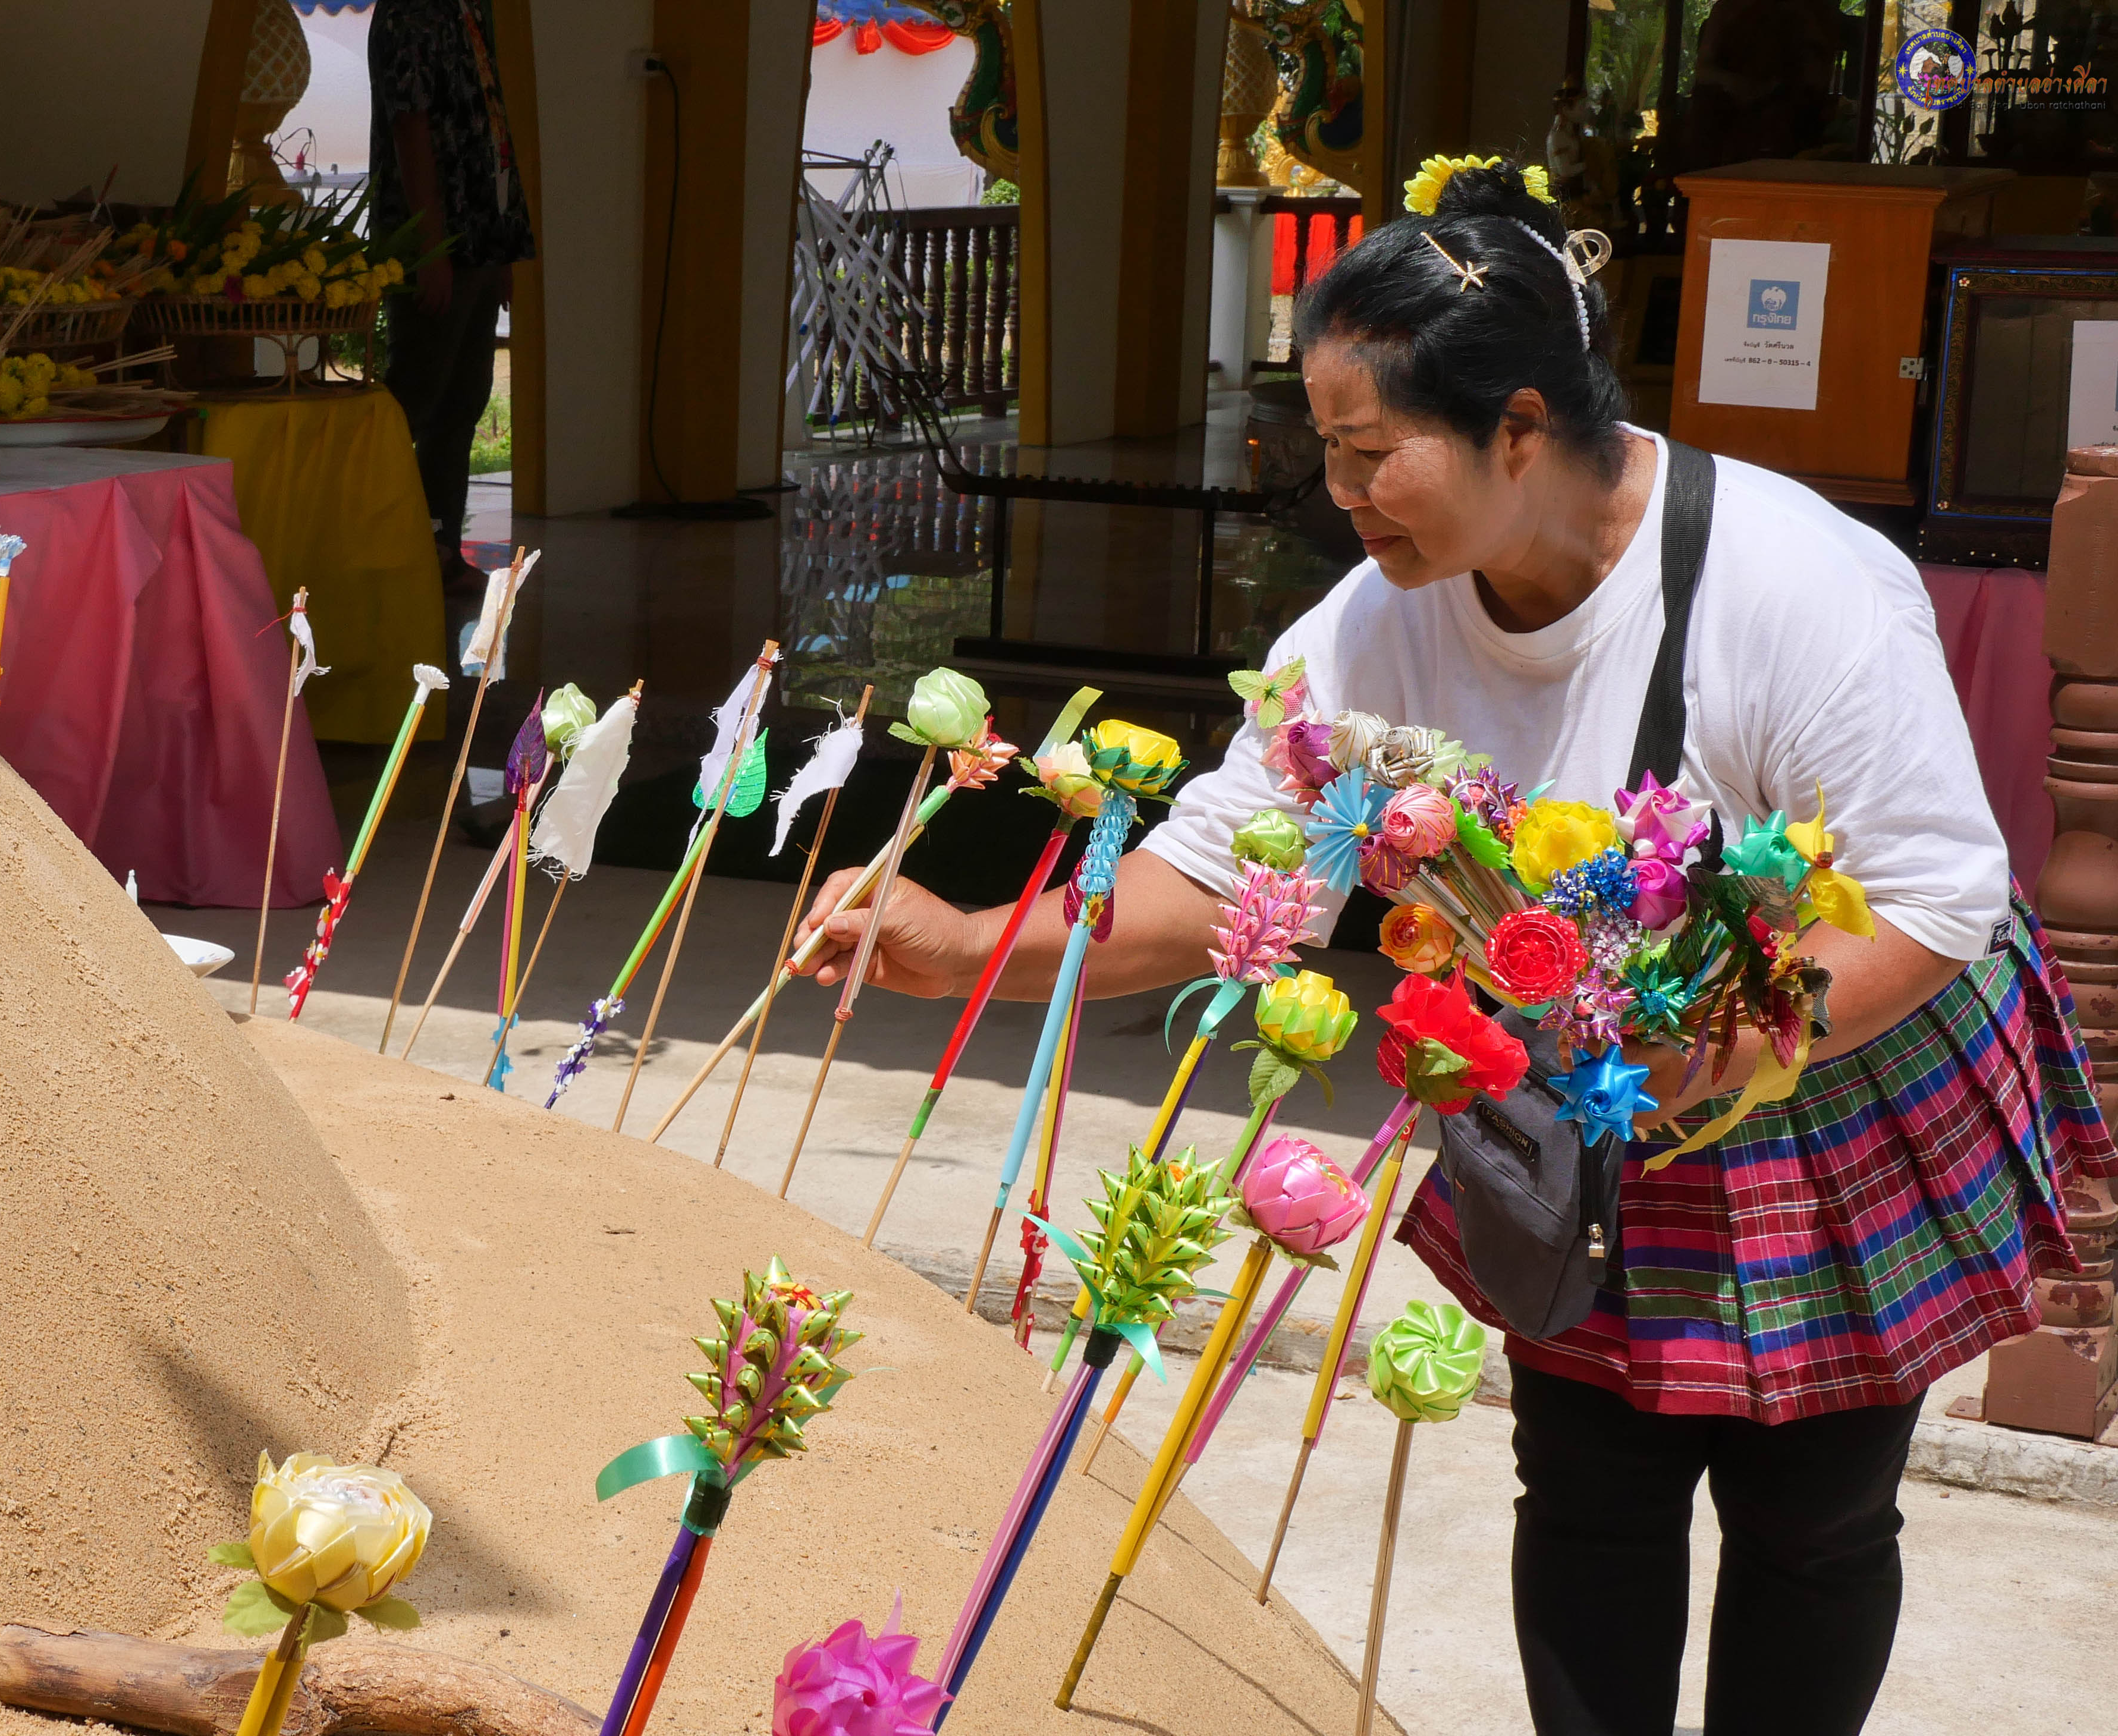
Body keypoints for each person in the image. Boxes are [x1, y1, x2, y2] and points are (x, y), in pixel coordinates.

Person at [802, 162, 2114, 1736]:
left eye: (1372, 452)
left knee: (1814, 1513)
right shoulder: (1373, 628)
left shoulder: (1798, 586)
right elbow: (1229, 873)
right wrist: (968, 944)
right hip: (1582, 1081)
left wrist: (1723, 1057)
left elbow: (1935, 894)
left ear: (1521, 426)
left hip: (1834, 1055)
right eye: (1325, 448)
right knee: (1588, 1489)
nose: (1338, 492)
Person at [368, 0, 535, 593]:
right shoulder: (410, 11)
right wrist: (430, 248)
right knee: (416, 395)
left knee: (463, 400)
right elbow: (410, 128)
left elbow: (493, 127)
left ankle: (439, 548)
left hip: (481, 235)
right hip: (435, 239)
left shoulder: (471, 11)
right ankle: (371, 541)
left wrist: (504, 244)